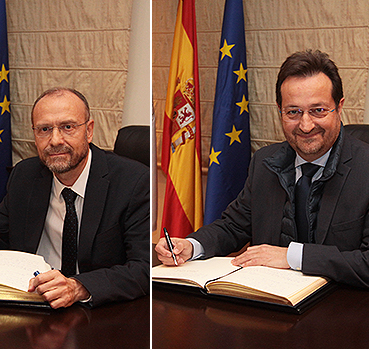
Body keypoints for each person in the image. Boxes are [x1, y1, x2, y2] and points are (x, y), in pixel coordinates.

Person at [156, 50, 369, 288]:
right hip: (270, 304)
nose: (306, 125)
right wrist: (191, 246)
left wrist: (291, 256)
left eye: (318, 110)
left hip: (342, 309)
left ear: (339, 108)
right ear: (279, 111)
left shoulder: (365, 169)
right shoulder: (265, 162)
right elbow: (233, 226)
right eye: (293, 112)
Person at [0, 87, 150, 308]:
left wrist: (79, 287)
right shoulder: (25, 175)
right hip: (30, 302)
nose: (55, 140)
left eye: (68, 127)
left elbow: (143, 267)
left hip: (99, 313)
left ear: (89, 130)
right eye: (44, 129)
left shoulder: (132, 182)